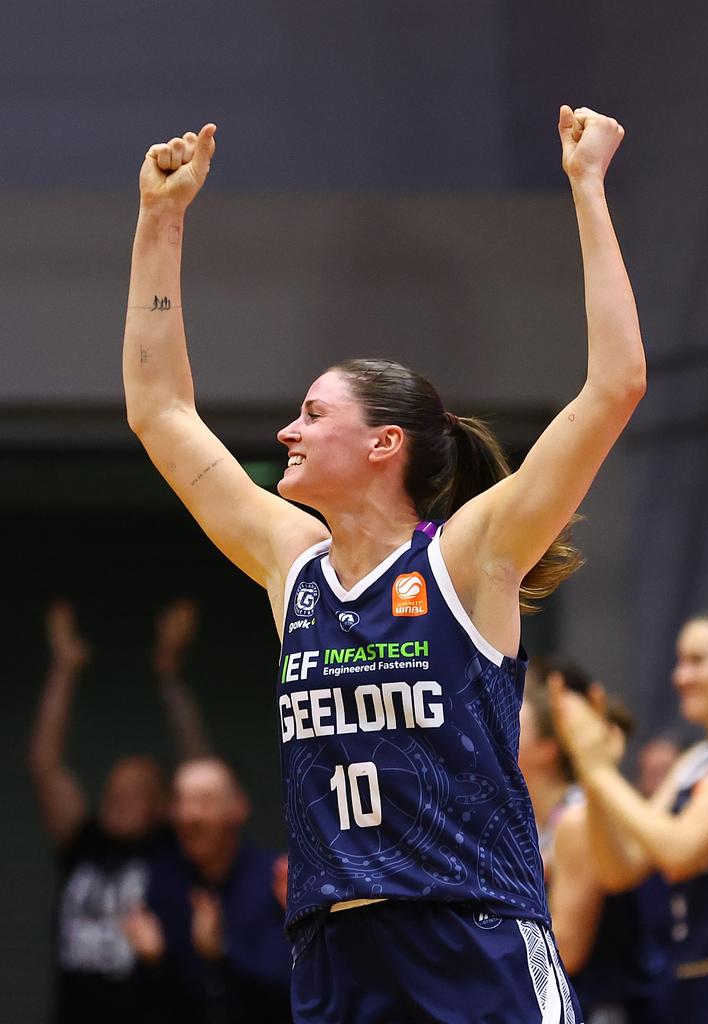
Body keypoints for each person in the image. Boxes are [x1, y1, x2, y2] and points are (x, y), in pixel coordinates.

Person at [123, 104, 645, 1022]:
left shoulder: (473, 558)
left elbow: (615, 387)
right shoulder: (296, 567)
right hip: (333, 955)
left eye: (314, 415)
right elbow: (160, 413)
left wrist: (588, 188)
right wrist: (158, 222)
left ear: (384, 444)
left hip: (469, 938)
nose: (286, 429)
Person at [551, 610, 708, 1023]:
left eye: (697, 660)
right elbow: (622, 869)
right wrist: (595, 779)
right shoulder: (696, 760)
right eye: (679, 661)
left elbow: (681, 851)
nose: (680, 676)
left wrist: (597, 769)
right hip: (690, 982)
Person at [29, 599, 209, 1024]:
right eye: (113, 788)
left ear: (166, 804)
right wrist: (65, 668)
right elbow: (45, 765)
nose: (117, 797)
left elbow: (201, 770)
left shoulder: (174, 851)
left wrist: (170, 677)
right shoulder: (84, 843)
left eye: (134, 790)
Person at [520, 660, 671, 1023]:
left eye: (513, 725)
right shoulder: (537, 821)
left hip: (602, 1009)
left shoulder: (576, 819)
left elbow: (566, 951)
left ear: (547, 749)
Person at [123, 757, 292, 1022]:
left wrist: (222, 954)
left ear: (238, 807)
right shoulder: (163, 884)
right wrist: (154, 962)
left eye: (203, 801)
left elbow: (290, 992)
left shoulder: (275, 879)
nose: (189, 815)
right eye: (180, 801)